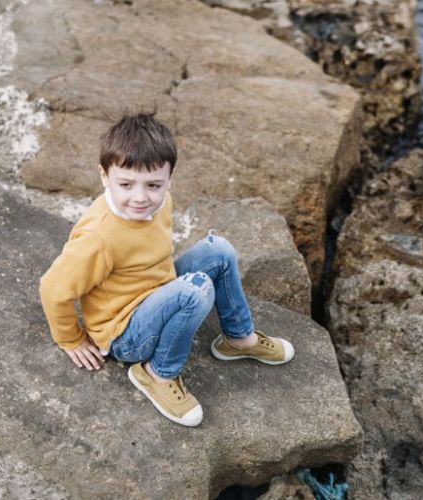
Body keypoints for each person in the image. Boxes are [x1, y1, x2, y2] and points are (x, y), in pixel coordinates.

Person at [40, 112, 294, 427]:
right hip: (125, 333)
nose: (140, 197)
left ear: (170, 178)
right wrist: (71, 339)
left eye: (153, 184)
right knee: (196, 290)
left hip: (157, 290)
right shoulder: (99, 236)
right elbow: (52, 288)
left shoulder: (161, 202)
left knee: (219, 250)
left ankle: (238, 339)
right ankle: (157, 374)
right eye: (126, 183)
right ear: (104, 175)